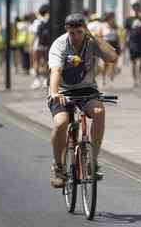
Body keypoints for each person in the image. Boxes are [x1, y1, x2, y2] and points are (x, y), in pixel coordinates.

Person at [47, 13, 118, 188]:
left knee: (100, 112)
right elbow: (55, 71)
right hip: (63, 91)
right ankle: (59, 167)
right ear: (67, 31)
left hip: (87, 90)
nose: (76, 36)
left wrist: (93, 36)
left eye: (80, 32)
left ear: (85, 30)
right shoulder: (60, 44)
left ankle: (92, 162)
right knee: (61, 123)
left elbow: (112, 57)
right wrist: (55, 93)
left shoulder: (91, 41)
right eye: (72, 33)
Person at [125, 2, 141, 87]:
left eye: (138, 8)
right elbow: (126, 32)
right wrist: (125, 43)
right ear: (133, 10)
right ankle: (135, 80)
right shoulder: (129, 19)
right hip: (132, 43)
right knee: (133, 62)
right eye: (135, 9)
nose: (137, 10)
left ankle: (139, 75)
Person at [30, 4, 50, 89]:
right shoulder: (47, 22)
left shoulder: (36, 22)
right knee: (46, 62)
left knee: (36, 62)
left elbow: (33, 35)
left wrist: (31, 46)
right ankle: (46, 80)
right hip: (45, 45)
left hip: (37, 45)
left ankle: (37, 81)